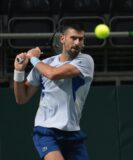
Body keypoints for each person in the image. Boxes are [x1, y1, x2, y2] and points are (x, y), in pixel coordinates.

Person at [13, 23, 94, 160]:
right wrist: (19, 71)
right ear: (62, 39)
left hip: (73, 133)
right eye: (73, 38)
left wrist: (33, 58)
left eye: (81, 39)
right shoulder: (44, 64)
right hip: (46, 131)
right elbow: (21, 98)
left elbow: (52, 74)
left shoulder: (86, 61)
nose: (77, 42)